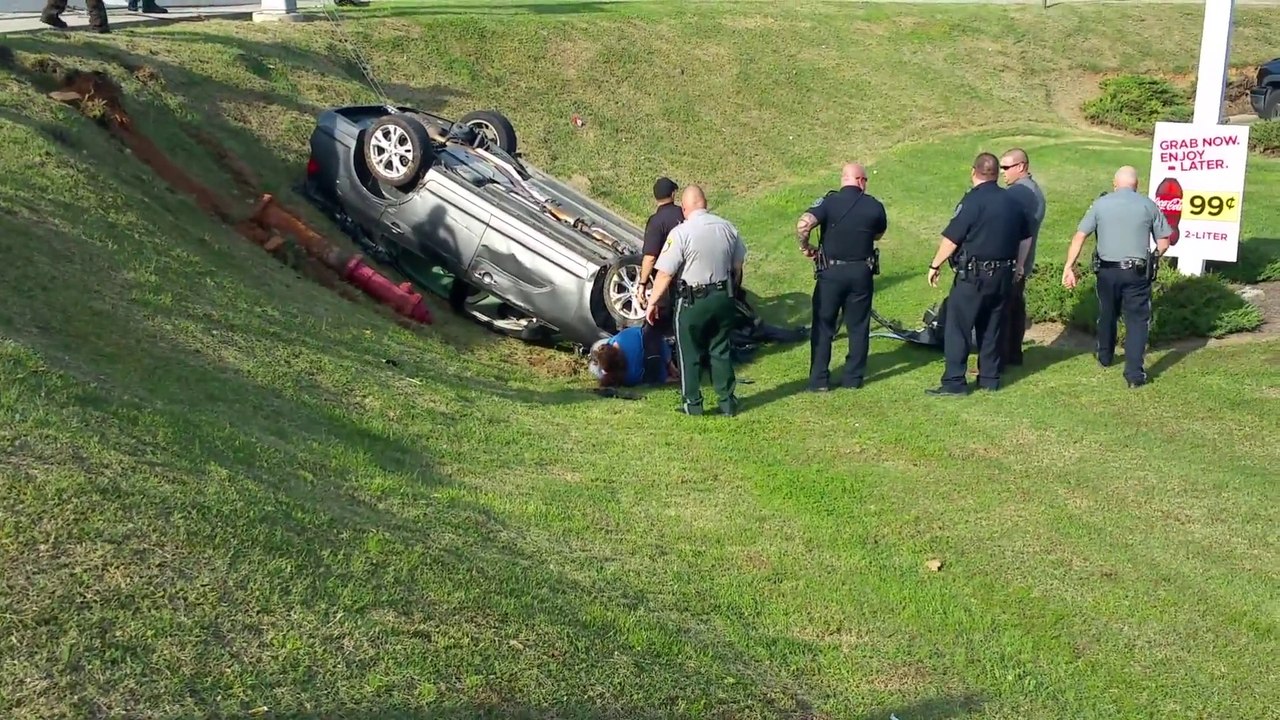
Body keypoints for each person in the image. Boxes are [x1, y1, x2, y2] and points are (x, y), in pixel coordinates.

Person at [925, 152, 1031, 396]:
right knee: (993, 326)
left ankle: (954, 382)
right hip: (1004, 274)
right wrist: (1019, 266)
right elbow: (1026, 238)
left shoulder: (973, 201)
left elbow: (952, 238)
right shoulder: (1013, 201)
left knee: (958, 327)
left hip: (974, 276)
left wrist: (935, 265)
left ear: (974, 172)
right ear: (995, 174)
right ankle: (989, 378)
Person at [1062, 165, 1172, 388]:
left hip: (1107, 270)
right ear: (1136, 185)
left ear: (1115, 184)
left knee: (1107, 313)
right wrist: (1154, 257)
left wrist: (1069, 266)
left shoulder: (1100, 204)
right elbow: (1164, 241)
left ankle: (1105, 356)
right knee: (1137, 321)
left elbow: (1080, 236)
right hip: (1137, 271)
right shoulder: (1148, 205)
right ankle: (1134, 374)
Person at [645, 185, 747, 416]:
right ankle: (727, 402)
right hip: (723, 296)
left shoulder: (681, 233)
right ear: (705, 202)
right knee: (720, 350)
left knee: (688, 353)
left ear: (684, 208)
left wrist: (652, 302)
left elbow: (664, 273)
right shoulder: (727, 227)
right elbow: (738, 266)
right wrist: (733, 291)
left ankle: (692, 404)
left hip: (692, 300)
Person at [794, 162, 888, 392]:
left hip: (830, 274)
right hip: (861, 272)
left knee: (823, 326)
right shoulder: (874, 206)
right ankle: (853, 378)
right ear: (860, 180)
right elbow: (878, 234)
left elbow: (803, 224)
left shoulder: (829, 202)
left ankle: (818, 381)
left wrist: (806, 245)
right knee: (858, 326)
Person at [998, 147, 1046, 366]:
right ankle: (1014, 354)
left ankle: (1001, 357)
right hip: (1023, 261)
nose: (1002, 172)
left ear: (1021, 167)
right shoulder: (1033, 191)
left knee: (1004, 311)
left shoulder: (1018, 194)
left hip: (1012, 262)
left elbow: (1014, 231)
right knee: (1015, 308)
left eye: (1006, 168)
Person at [636, 177, 685, 327]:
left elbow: (650, 257)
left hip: (669, 280)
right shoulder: (684, 214)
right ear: (673, 194)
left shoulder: (656, 221)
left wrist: (642, 284)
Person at [588, 324, 677, 388]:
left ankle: (599, 365)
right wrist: (670, 365)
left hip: (659, 367)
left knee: (593, 367)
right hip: (659, 349)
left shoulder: (629, 377)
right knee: (595, 347)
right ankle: (599, 361)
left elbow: (664, 379)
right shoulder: (622, 337)